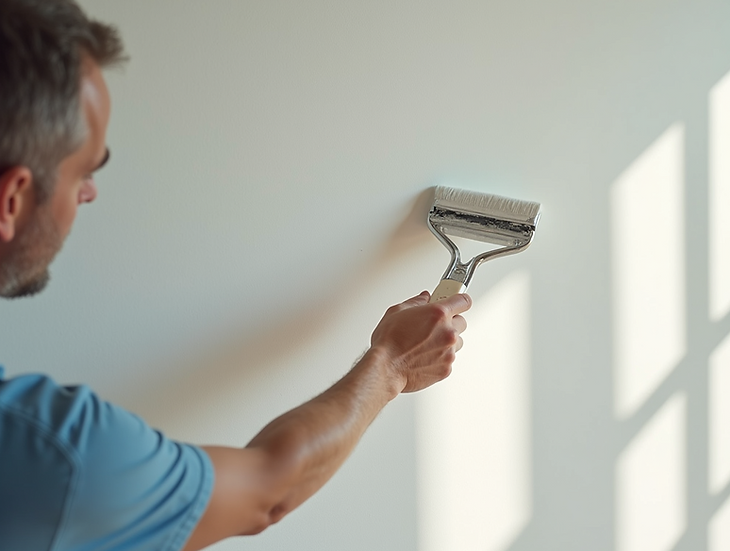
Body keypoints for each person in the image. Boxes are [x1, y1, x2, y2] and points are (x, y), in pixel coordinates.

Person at [0, 1, 472, 549]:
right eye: (84, 171)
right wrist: (390, 365)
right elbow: (268, 488)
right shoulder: (55, 458)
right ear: (12, 199)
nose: (90, 193)